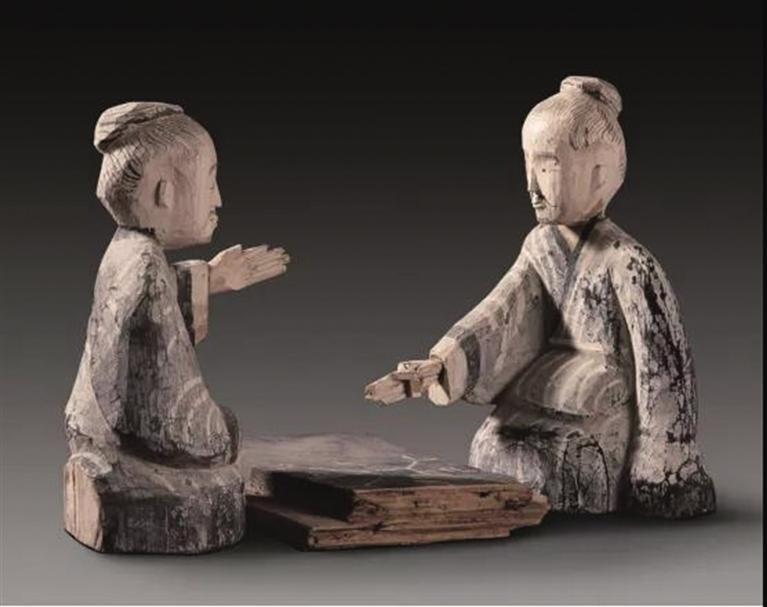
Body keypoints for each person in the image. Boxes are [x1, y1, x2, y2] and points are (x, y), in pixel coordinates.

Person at [365, 76, 716, 519]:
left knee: (572, 461)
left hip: (598, 407)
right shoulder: (540, 245)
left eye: (547, 167)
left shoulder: (628, 262)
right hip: (539, 394)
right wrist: (441, 364)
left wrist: (661, 459)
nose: (532, 184)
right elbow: (504, 310)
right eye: (527, 164)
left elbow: (662, 366)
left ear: (600, 172)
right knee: (490, 443)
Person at [64, 102, 290, 552]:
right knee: (219, 461)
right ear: (164, 192)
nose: (218, 199)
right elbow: (177, 423)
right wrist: (224, 431)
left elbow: (151, 301)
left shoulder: (127, 250)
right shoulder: (146, 267)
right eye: (210, 180)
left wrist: (213, 278)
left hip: (88, 423)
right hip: (128, 440)